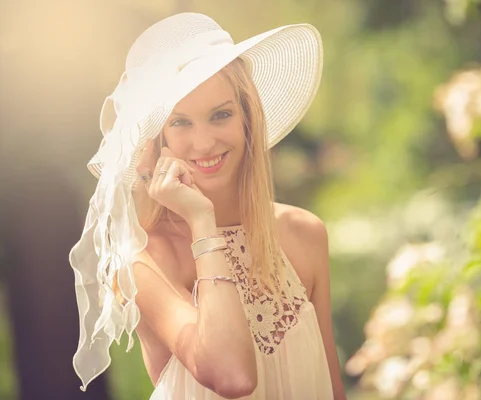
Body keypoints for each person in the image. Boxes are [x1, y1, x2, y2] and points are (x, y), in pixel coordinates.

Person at [69, 12, 346, 399]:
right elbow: (232, 377)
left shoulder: (305, 234)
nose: (203, 144)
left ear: (248, 118)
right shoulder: (142, 261)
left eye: (221, 115)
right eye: (180, 123)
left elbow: (332, 389)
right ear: (155, 142)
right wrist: (202, 220)